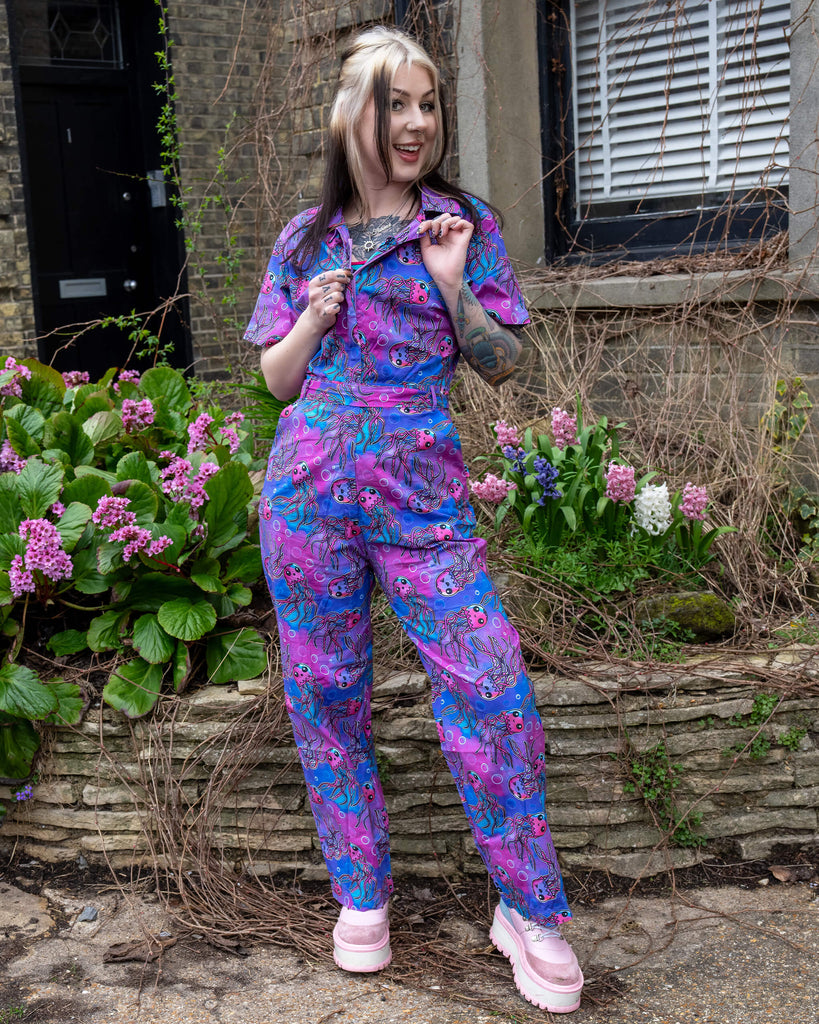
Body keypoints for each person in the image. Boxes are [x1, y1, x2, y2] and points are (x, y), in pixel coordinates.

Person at [244, 25, 583, 1014]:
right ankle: (362, 894)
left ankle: (529, 909)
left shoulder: (461, 224)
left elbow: (507, 362)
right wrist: (313, 313)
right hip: (306, 498)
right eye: (398, 102)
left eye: (428, 104)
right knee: (326, 697)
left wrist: (448, 286)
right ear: (354, 114)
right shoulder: (302, 241)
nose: (418, 122)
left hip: (425, 502)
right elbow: (276, 381)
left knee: (491, 684)